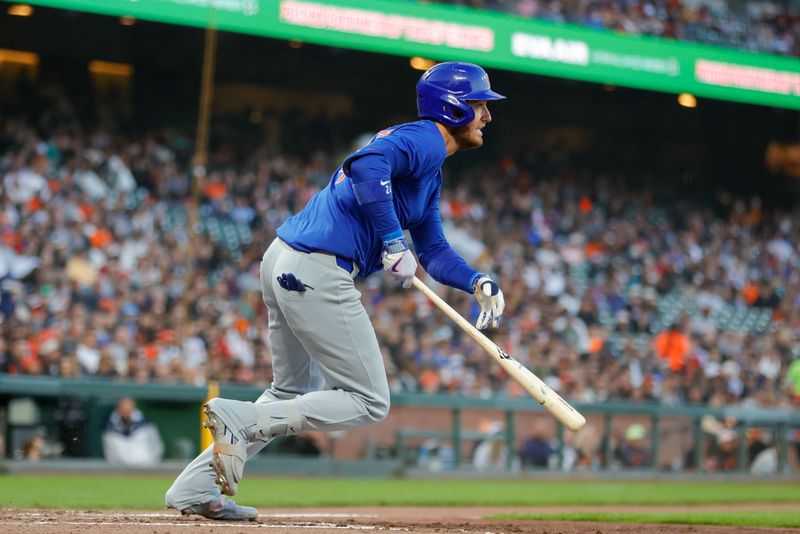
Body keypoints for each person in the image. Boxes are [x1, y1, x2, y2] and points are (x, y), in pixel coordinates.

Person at [165, 62, 506, 520]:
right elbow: (364, 165)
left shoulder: (430, 170)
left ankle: (195, 489)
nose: (487, 116)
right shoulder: (425, 138)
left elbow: (435, 250)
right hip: (317, 267)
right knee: (369, 401)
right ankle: (240, 419)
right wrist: (390, 240)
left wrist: (477, 282)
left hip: (286, 258)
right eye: (481, 105)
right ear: (454, 107)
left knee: (288, 393)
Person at [102, 397, 164, 466]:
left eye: (129, 406)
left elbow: (157, 447)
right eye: (123, 407)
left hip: (147, 468)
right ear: (118, 408)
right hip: (121, 471)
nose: (126, 410)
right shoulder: (111, 428)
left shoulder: (145, 424)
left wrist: (153, 466)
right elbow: (110, 455)